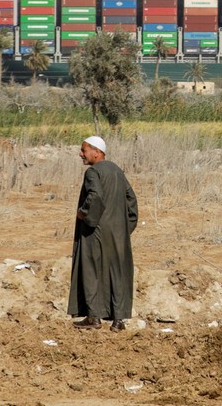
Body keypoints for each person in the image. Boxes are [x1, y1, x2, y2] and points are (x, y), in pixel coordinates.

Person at [68, 135, 138, 331]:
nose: (81, 154)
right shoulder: (117, 171)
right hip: (117, 233)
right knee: (117, 273)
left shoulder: (93, 172)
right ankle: (118, 322)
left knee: (91, 271)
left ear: (96, 152)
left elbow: (95, 196)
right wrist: (125, 228)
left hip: (95, 231)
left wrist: (83, 214)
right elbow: (131, 200)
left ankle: (93, 319)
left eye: (84, 150)